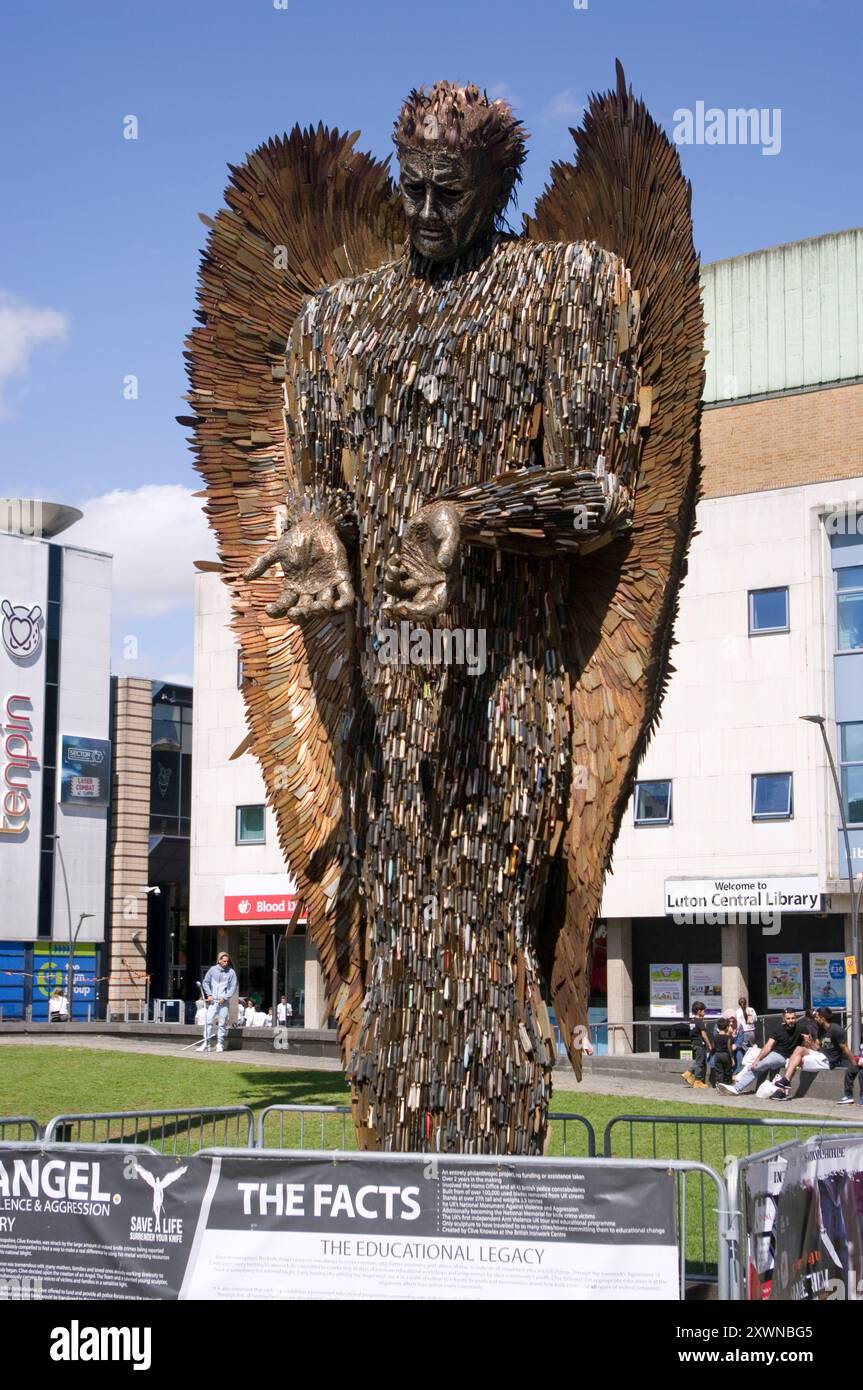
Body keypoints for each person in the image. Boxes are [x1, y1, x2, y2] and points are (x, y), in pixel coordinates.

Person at [772, 1006, 858, 1101]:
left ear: (822, 1018)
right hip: (820, 1055)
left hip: (828, 1061)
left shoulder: (836, 1030)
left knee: (793, 1061)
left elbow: (845, 1049)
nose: (815, 1019)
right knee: (798, 1049)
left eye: (817, 1017)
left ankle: (782, 1090)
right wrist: (810, 1042)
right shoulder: (821, 1029)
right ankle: (786, 1082)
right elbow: (817, 1048)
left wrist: (854, 1064)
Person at [717, 1008, 808, 1096]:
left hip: (787, 1057)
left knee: (760, 1064)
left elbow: (807, 1047)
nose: (791, 1020)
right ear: (783, 1018)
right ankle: (736, 1089)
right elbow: (768, 1046)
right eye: (788, 1018)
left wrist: (808, 1041)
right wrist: (757, 1059)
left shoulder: (801, 1029)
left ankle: (742, 1074)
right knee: (759, 1067)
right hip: (777, 1054)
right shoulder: (778, 1029)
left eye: (793, 1018)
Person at [198, 952, 237, 1053]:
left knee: (222, 1023)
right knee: (208, 1022)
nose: (226, 963)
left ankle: (220, 1043)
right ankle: (206, 1043)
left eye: (227, 961)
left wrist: (225, 997)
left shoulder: (231, 972)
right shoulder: (212, 970)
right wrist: (209, 994)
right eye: (224, 961)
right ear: (219, 960)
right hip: (213, 1002)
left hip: (223, 1002)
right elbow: (205, 982)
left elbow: (233, 987)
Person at [682, 1002, 711, 1089]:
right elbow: (704, 1035)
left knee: (699, 1062)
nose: (704, 1013)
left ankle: (697, 1082)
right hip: (700, 1044)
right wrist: (709, 1044)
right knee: (699, 1062)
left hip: (694, 1043)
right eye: (703, 1011)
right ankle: (690, 1075)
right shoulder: (700, 1022)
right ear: (699, 1011)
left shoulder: (692, 1021)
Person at [733, 997, 757, 1074]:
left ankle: (745, 1066)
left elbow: (737, 1023)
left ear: (739, 1004)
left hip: (744, 1032)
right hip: (752, 1031)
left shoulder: (737, 1012)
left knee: (743, 1049)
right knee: (752, 1048)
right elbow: (755, 1019)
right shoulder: (751, 1009)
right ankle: (753, 1063)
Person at [711, 1017, 735, 1088]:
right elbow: (729, 1048)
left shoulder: (715, 1037)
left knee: (719, 1071)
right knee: (728, 1070)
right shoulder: (728, 1037)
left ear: (718, 1027)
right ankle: (727, 1085)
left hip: (717, 1055)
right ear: (727, 1027)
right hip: (725, 1055)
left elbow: (713, 1047)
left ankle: (719, 1084)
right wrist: (732, 1058)